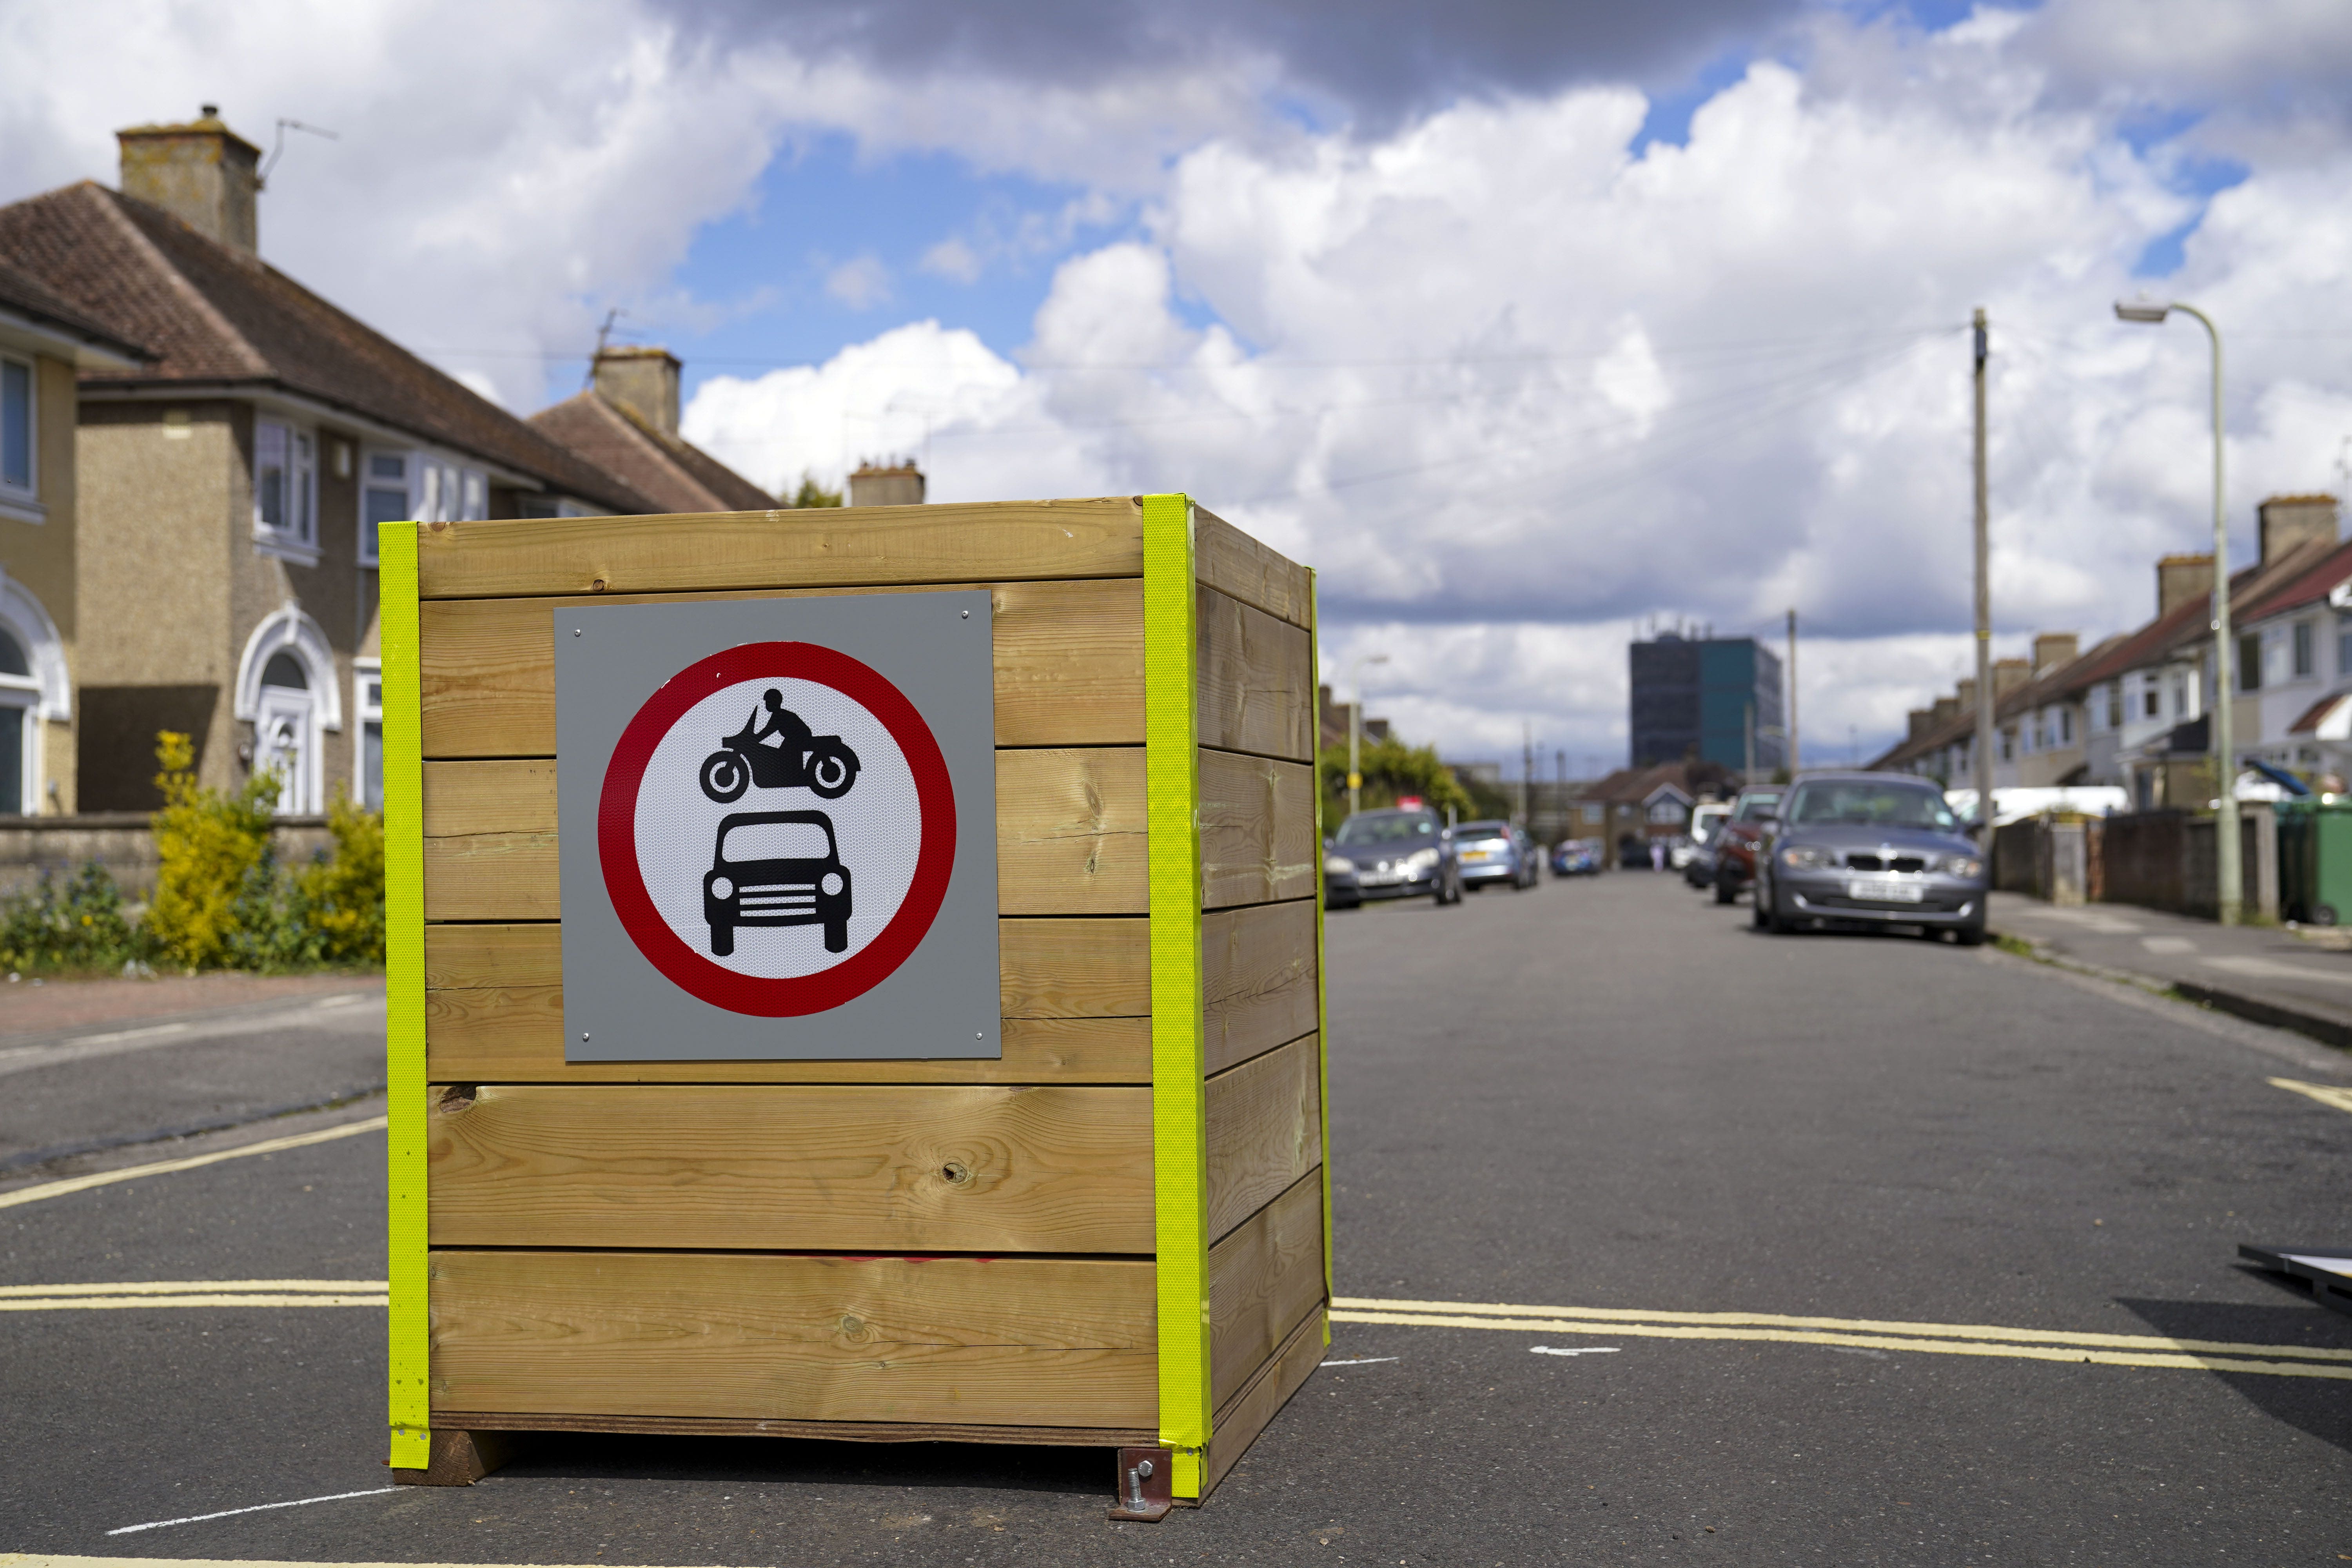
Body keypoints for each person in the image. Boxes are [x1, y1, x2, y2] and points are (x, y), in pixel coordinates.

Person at [751, 689, 813, 760]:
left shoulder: (779, 716)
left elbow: (767, 732)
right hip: (794, 738)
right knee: (783, 752)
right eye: (766, 702)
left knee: (782, 755)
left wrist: (753, 740)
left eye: (768, 702)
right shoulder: (779, 714)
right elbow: (767, 730)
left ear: (775, 702)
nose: (766, 704)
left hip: (799, 738)